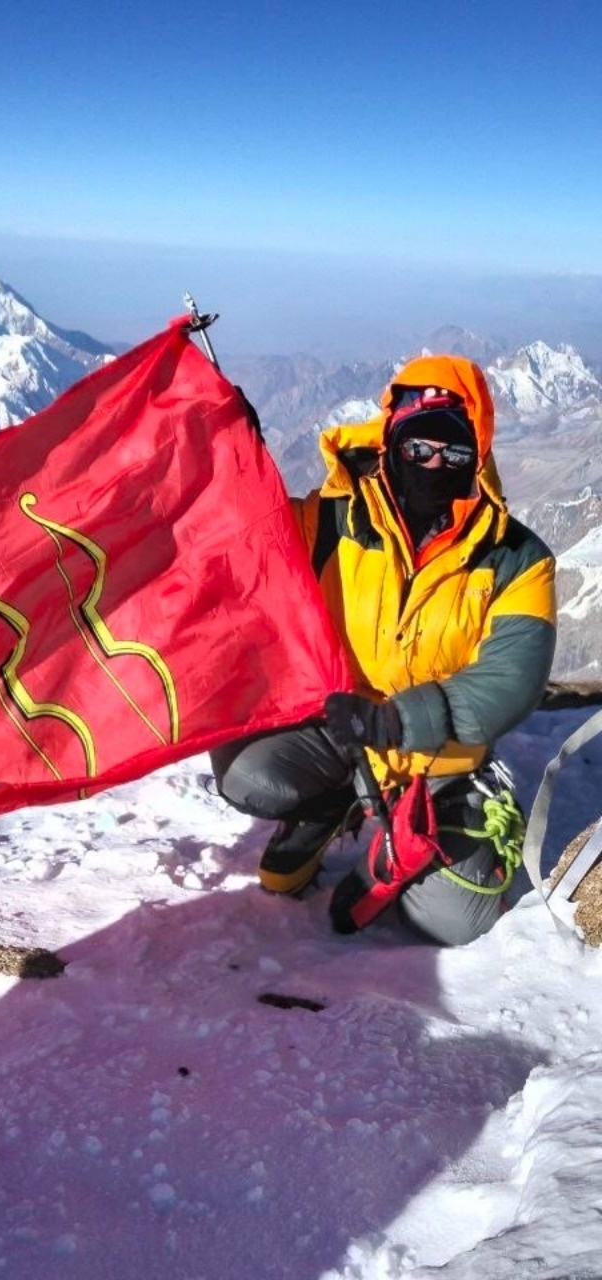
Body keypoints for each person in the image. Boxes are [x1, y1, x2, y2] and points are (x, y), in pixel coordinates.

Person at [212, 354, 557, 946]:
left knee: (454, 920)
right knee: (251, 775)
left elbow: (511, 680)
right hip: (339, 726)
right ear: (391, 440)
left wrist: (397, 721)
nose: (433, 464)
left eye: (454, 453)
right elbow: (241, 541)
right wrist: (227, 452)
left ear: (478, 455)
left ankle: (426, 825)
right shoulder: (330, 522)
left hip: (441, 758)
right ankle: (331, 805)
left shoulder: (517, 559)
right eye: (418, 447)